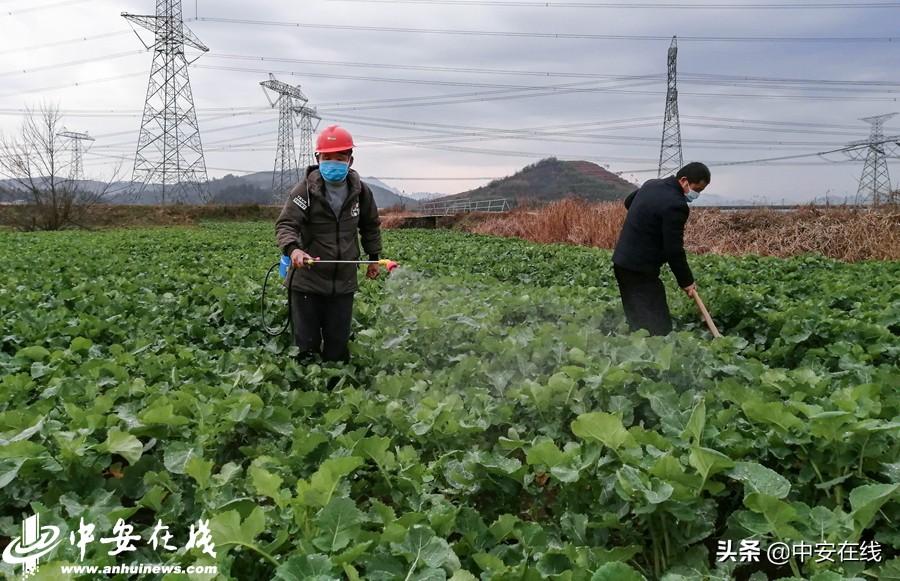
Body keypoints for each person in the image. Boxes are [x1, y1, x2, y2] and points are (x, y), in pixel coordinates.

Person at [275, 125, 382, 362]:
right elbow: (286, 224)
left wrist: (373, 258)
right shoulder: (305, 191)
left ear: (350, 160)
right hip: (307, 282)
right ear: (318, 158)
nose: (332, 162)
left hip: (343, 283)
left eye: (339, 158)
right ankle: (306, 391)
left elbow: (370, 226)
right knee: (306, 348)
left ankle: (335, 390)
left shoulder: (361, 192)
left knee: (337, 348)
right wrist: (293, 249)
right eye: (327, 157)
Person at [611, 162, 710, 336]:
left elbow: (628, 202)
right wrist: (686, 281)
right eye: (697, 189)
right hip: (640, 268)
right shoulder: (676, 205)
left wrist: (646, 220)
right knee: (659, 325)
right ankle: (652, 355)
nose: (696, 194)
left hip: (621, 261)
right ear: (684, 180)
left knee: (637, 315)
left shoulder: (651, 184)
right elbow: (674, 250)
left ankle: (638, 352)